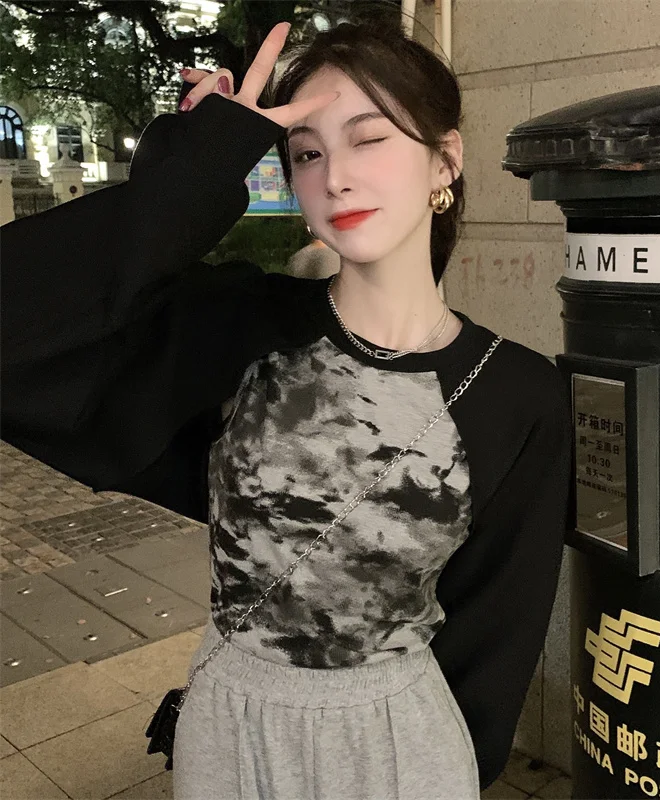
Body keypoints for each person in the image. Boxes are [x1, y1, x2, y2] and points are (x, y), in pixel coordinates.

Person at [0, 18, 571, 800]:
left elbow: (496, 634)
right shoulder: (241, 326)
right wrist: (197, 168)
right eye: (307, 152)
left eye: (369, 139)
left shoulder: (520, 391)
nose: (336, 177)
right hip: (233, 732)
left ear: (445, 160)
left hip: (404, 748)